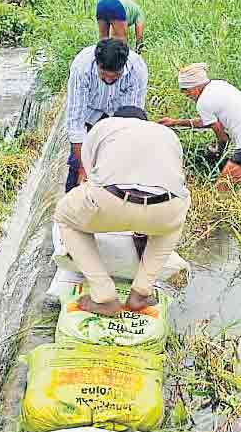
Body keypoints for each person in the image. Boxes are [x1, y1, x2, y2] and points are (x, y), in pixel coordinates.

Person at [53, 106, 191, 317]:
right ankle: (141, 292)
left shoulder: (105, 126)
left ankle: (104, 296)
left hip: (111, 199)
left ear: (116, 118)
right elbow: (175, 176)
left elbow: (91, 173)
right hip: (165, 207)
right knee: (173, 226)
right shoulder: (167, 134)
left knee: (64, 216)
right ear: (146, 121)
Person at [158, 63, 241, 191]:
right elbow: (207, 121)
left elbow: (223, 138)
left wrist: (218, 153)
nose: (189, 97)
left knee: (221, 190)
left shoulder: (203, 102)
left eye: (187, 94)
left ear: (194, 89)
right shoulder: (220, 85)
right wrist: (175, 122)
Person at [63, 38, 148, 193]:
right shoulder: (82, 67)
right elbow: (75, 123)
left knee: (118, 167)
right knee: (77, 170)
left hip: (118, 117)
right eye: (103, 74)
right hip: (89, 114)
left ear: (123, 67)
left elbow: (132, 120)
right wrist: (83, 168)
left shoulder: (136, 69)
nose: (108, 79)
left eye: (115, 76)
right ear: (97, 64)